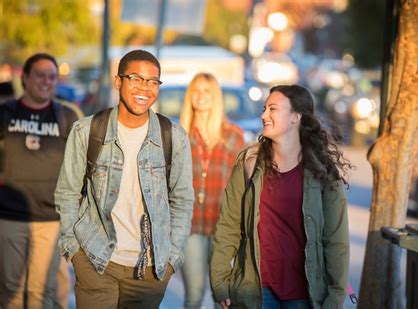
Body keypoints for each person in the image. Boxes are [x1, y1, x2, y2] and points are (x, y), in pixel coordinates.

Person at [54, 49, 194, 308]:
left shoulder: (174, 137)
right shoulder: (86, 131)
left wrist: (173, 257)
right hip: (95, 261)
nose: (145, 88)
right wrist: (74, 250)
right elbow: (68, 192)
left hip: (149, 270)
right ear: (118, 82)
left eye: (153, 81)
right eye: (136, 79)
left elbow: (183, 200)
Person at [210, 85, 352, 308]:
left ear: (296, 117)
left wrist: (335, 296)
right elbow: (228, 225)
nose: (264, 115)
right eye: (265, 109)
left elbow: (336, 240)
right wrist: (220, 280)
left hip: (304, 292)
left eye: (273, 109)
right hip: (256, 289)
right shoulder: (249, 163)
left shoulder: (322, 172)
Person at [0, 53, 82, 308]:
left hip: (50, 219)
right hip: (9, 215)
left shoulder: (67, 116)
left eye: (52, 76)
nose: (46, 81)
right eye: (40, 75)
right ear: (25, 77)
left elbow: (80, 167)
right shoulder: (5, 112)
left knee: (41, 292)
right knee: (9, 291)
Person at [179, 73, 245, 308]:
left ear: (216, 97)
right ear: (190, 96)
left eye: (207, 91)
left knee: (224, 297)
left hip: (224, 227)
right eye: (196, 90)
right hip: (191, 225)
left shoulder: (233, 136)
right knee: (194, 295)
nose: (201, 96)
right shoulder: (179, 137)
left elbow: (243, 183)